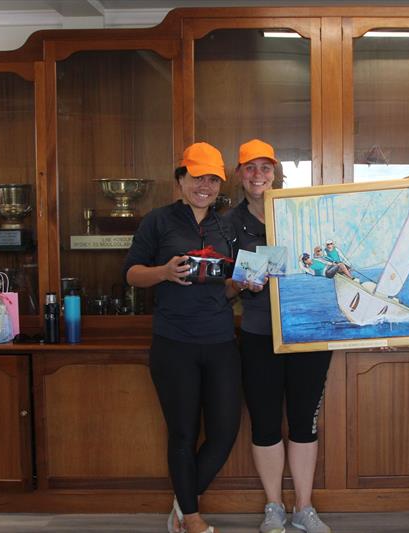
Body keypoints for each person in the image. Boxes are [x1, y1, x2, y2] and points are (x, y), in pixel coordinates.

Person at [124, 142, 242, 533]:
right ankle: (190, 517)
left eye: (212, 179)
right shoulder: (157, 221)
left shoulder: (225, 226)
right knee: (183, 433)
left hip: (221, 340)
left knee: (224, 432)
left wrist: (243, 285)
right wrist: (164, 272)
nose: (204, 186)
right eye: (197, 177)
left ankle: (181, 502)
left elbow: (223, 287)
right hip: (174, 343)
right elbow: (131, 274)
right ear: (180, 179)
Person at [224, 139, 334, 533]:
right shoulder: (228, 224)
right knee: (266, 423)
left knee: (304, 422)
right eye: (249, 168)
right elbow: (222, 290)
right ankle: (274, 508)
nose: (258, 175)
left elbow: (327, 258)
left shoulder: (299, 211)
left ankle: (303, 508)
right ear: (239, 174)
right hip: (257, 334)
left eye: (265, 168)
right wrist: (243, 283)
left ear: (277, 173)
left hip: (308, 331)